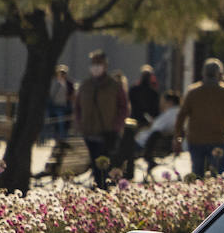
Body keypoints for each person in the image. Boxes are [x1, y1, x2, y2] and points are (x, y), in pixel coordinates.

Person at [175, 58, 224, 177]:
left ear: (203, 74)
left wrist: (177, 137)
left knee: (198, 175)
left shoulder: (193, 92)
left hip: (196, 140)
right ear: (220, 74)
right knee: (220, 176)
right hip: (219, 140)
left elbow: (181, 116)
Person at [74, 49, 129, 189]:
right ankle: (99, 189)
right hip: (89, 132)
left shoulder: (114, 86)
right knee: (95, 165)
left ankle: (104, 190)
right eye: (93, 63)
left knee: (105, 166)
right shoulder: (85, 85)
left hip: (108, 133)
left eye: (98, 63)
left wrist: (116, 126)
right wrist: (80, 124)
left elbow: (124, 108)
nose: (95, 67)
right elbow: (77, 107)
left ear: (105, 65)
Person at [128, 64, 161, 129]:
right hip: (146, 122)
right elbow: (156, 110)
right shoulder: (153, 93)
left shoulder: (133, 90)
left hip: (135, 120)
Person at [47, 65, 74, 141]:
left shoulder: (69, 83)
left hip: (66, 106)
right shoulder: (54, 83)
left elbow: (72, 94)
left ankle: (62, 138)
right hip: (56, 106)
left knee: (64, 123)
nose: (62, 74)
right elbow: (51, 94)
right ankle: (59, 138)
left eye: (63, 73)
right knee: (58, 123)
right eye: (60, 73)